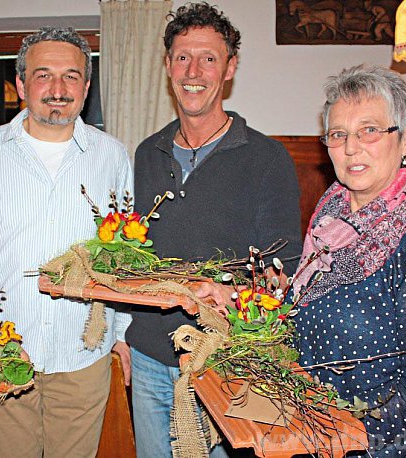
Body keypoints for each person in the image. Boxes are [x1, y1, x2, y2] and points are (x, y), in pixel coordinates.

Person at [125, 3, 303, 456]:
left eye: (209, 57)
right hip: (150, 357)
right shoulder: (148, 154)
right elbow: (134, 254)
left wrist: (229, 291)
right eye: (182, 57)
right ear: (167, 67)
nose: (194, 70)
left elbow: (287, 267)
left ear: (230, 68)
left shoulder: (267, 159)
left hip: (226, 362)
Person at [0, 27, 133, 458]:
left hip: (83, 353)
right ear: (20, 84)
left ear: (86, 87)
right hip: (3, 352)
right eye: (43, 75)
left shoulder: (112, 156)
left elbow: (124, 258)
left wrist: (121, 335)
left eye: (71, 76)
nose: (57, 89)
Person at [293, 65, 406, 457]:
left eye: (369, 130)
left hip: (376, 446)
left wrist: (334, 433)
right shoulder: (330, 214)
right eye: (338, 134)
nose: (351, 148)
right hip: (310, 433)